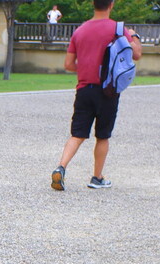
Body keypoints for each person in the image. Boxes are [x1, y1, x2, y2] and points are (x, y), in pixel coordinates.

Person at [51, 0, 142, 191]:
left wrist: (86, 68)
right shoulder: (117, 29)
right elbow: (137, 54)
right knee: (103, 136)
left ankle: (61, 167)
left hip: (84, 89)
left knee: (77, 134)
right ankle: (97, 177)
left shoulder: (80, 30)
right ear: (112, 4)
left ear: (93, 4)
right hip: (107, 90)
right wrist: (134, 36)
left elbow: (68, 64)